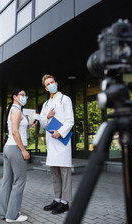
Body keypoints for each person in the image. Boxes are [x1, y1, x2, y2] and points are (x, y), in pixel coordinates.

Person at [0, 89, 37, 223]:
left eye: (25, 95)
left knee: (7, 181)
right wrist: (24, 150)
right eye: (22, 95)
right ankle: (12, 216)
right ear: (15, 97)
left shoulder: (15, 110)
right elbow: (15, 132)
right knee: (19, 181)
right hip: (15, 148)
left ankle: (5, 212)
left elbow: (17, 128)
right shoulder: (16, 110)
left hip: (9, 148)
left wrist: (30, 125)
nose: (24, 97)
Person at [40, 74, 74, 214]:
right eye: (48, 84)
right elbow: (42, 122)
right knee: (54, 172)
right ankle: (57, 199)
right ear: (46, 88)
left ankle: (65, 202)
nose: (50, 85)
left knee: (65, 172)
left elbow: (70, 121)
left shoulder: (65, 99)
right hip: (51, 142)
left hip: (61, 140)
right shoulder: (46, 104)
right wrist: (47, 116)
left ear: (56, 83)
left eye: (52, 82)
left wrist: (60, 132)